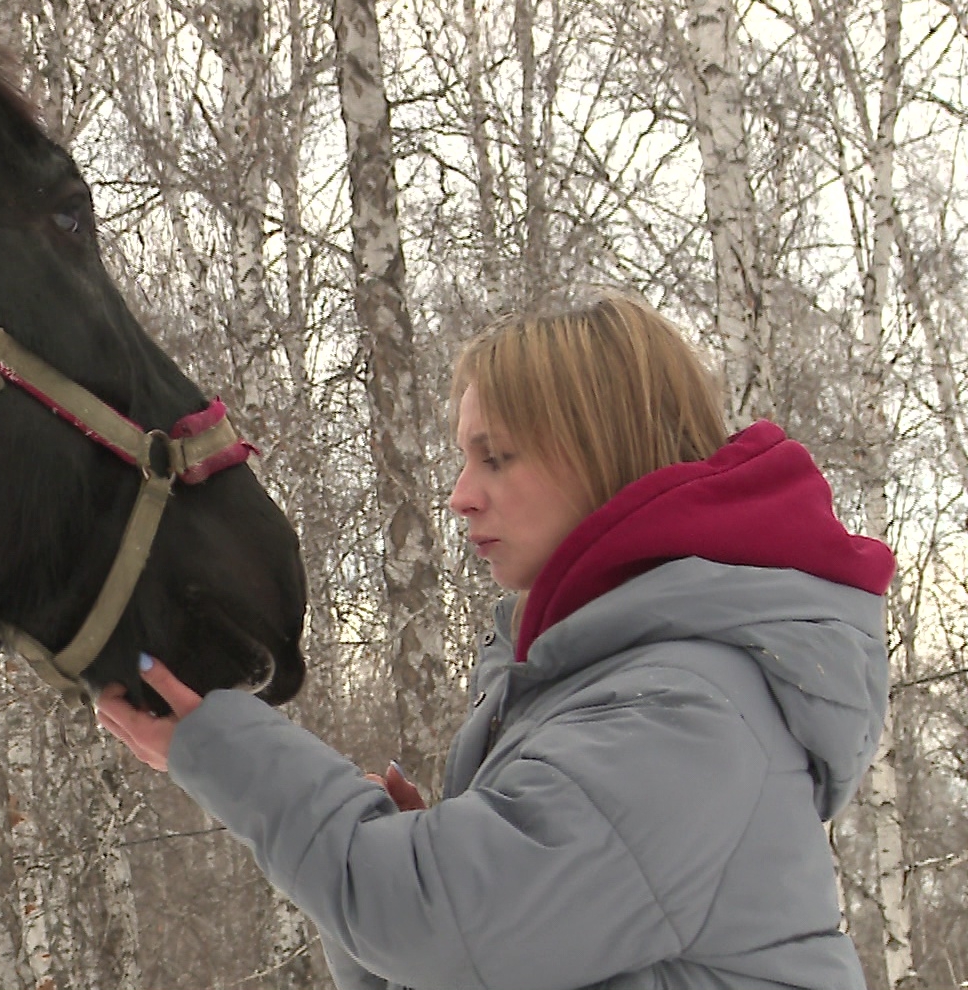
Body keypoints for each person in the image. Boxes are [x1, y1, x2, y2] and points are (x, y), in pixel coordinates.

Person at [96, 294, 894, 990]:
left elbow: (438, 926)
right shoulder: (596, 690)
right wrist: (385, 867)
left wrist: (228, 753)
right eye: (463, 457)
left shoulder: (691, 711)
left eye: (496, 457)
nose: (459, 496)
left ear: (604, 452)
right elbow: (458, 962)